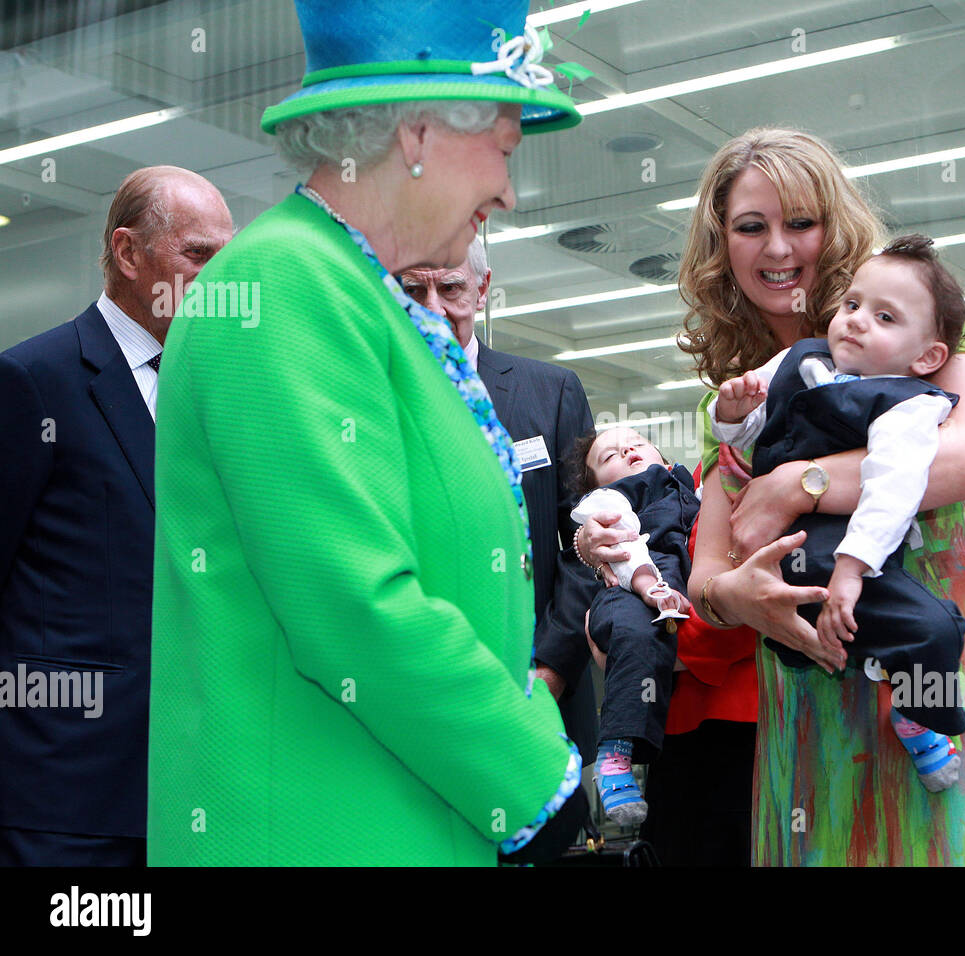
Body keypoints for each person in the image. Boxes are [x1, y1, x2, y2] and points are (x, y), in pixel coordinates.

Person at [147, 0, 590, 865]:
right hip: (316, 833)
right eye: (504, 146)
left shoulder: (359, 293)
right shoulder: (281, 284)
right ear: (418, 133)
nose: (507, 188)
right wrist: (538, 777)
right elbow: (354, 602)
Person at [580, 127, 965, 866]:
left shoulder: (913, 324)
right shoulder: (731, 403)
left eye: (801, 223)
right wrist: (743, 594)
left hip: (934, 655)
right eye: (751, 227)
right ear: (720, 243)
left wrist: (801, 485)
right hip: (808, 666)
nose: (779, 249)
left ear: (836, 225)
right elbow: (707, 582)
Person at [0, 166, 232, 866]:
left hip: (196, 787)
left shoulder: (219, 394)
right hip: (64, 796)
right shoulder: (33, 382)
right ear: (129, 254)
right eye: (199, 256)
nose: (219, 280)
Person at [708, 235, 965, 790]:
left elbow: (892, 489)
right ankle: (823, 652)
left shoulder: (909, 405)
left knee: (933, 629)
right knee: (801, 638)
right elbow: (744, 432)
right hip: (781, 561)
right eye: (852, 304)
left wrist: (853, 570)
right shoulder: (800, 358)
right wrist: (731, 415)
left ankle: (914, 710)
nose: (855, 321)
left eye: (883, 316)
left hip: (851, 559)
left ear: (927, 357)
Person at [400, 238, 602, 765]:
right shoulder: (365, 401)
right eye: (412, 289)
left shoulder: (550, 392)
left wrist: (550, 672)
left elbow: (591, 549)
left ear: (483, 289)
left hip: (541, 693)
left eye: (450, 289)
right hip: (416, 701)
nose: (432, 308)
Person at [564, 427, 697, 824]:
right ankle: (614, 754)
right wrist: (648, 586)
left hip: (668, 586)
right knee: (638, 636)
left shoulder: (686, 485)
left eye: (637, 442)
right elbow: (624, 547)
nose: (626, 449)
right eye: (609, 457)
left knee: (654, 640)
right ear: (595, 487)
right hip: (626, 589)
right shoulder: (610, 501)